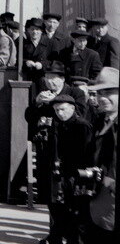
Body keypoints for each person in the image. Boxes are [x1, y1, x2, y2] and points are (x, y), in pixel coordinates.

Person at [75, 67, 118, 244]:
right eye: (99, 93)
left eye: (109, 92)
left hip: (111, 208)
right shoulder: (102, 121)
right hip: (97, 206)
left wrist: (108, 179)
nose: (102, 98)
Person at [26, 61, 88, 216]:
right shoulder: (42, 93)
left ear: (62, 79)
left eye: (53, 78)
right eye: (47, 77)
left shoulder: (75, 92)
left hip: (67, 149)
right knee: (50, 194)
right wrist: (37, 103)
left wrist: (56, 100)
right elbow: (29, 117)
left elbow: (80, 114)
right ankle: (54, 226)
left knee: (67, 193)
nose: (49, 81)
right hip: (46, 148)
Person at [46, 94, 94, 244]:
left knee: (78, 210)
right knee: (68, 208)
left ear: (73, 108)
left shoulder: (82, 126)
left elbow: (88, 152)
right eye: (56, 110)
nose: (59, 113)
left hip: (79, 174)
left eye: (62, 109)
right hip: (67, 172)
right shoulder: (61, 125)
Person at [22, 18, 51, 84]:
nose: (35, 32)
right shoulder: (23, 43)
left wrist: (42, 65)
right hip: (28, 77)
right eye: (32, 29)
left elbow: (53, 60)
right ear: (28, 30)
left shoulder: (49, 43)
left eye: (37, 29)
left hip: (44, 77)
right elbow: (18, 59)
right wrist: (26, 62)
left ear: (41, 31)